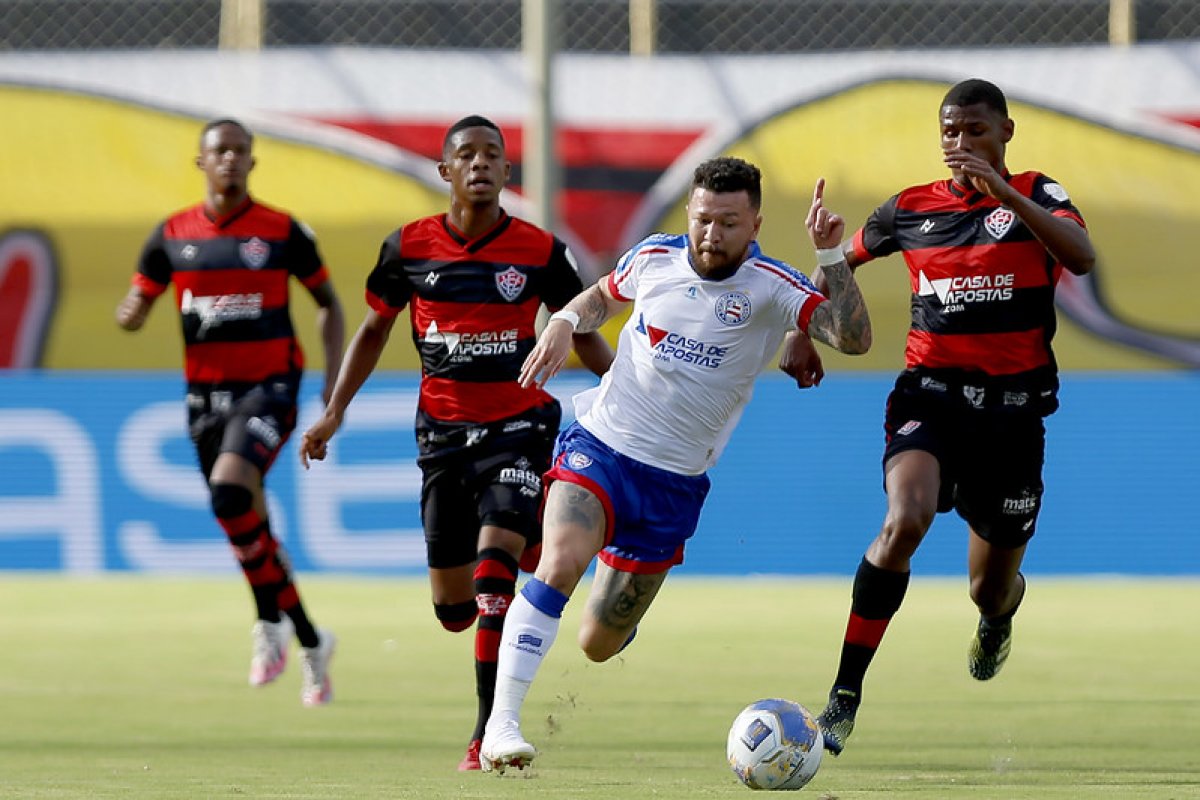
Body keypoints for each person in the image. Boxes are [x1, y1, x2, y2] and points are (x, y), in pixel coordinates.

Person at [478, 157, 873, 773]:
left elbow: (852, 338)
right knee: (558, 565)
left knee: (598, 643)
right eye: (702, 219)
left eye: (728, 223)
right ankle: (500, 727)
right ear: (689, 211)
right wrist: (563, 321)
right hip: (602, 448)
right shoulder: (655, 257)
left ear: (755, 225)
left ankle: (611, 593)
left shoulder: (773, 285)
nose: (711, 234)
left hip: (673, 486)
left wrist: (830, 257)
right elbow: (601, 297)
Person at [297, 115, 614, 771]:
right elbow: (373, 331)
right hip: (442, 438)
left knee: (494, 575)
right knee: (454, 609)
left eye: (492, 154)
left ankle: (487, 733)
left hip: (519, 429)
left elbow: (580, 330)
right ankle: (539, 544)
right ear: (445, 171)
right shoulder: (407, 248)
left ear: (506, 170)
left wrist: (626, 392)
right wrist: (333, 412)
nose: (480, 164)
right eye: (466, 154)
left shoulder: (539, 251)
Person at [806, 78, 1096, 755]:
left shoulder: (1038, 194)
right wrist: (808, 316)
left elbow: (1081, 258)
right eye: (950, 132)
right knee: (904, 520)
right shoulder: (910, 208)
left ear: (1005, 133)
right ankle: (845, 694)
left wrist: (1008, 198)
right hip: (930, 398)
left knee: (987, 590)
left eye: (974, 131)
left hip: (1013, 420)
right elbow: (840, 268)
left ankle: (999, 617)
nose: (960, 143)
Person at [115, 118, 346, 706]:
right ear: (201, 161)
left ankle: (272, 624)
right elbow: (140, 296)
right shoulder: (172, 234)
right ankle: (307, 638)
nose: (231, 159)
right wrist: (131, 312)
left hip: (269, 388)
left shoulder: (281, 231)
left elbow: (328, 303)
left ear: (252, 161)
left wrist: (332, 381)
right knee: (244, 523)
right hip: (204, 400)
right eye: (220, 150)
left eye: (241, 151)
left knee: (228, 493)